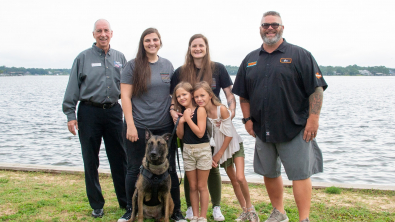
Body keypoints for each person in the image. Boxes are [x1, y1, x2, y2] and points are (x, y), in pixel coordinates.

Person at [232, 11, 328, 222]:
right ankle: (279, 213)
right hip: (262, 128)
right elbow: (243, 95)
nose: (270, 28)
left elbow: (317, 89)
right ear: (260, 29)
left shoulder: (300, 55)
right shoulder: (250, 60)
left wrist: (314, 119)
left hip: (295, 127)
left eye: (274, 25)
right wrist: (247, 120)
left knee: (300, 174)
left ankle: (304, 218)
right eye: (265, 25)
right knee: (269, 172)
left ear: (282, 28)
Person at [118, 28, 186, 222]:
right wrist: (130, 125)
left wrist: (173, 109)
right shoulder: (132, 66)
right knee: (133, 169)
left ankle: (176, 211)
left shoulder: (167, 64)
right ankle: (131, 210)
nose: (151, 43)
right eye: (147, 40)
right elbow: (125, 96)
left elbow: (173, 93)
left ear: (160, 42)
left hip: (164, 127)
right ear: (143, 43)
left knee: (170, 169)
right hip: (139, 126)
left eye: (155, 40)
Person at [62, 19, 127, 218]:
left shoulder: (120, 58)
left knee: (120, 159)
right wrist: (70, 115)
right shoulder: (83, 58)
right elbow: (72, 87)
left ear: (112, 33)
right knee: (90, 160)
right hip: (89, 112)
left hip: (114, 112)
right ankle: (97, 204)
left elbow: (127, 88)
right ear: (93, 34)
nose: (103, 34)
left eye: (106, 30)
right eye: (99, 31)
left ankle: (125, 202)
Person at [170, 34, 235, 221]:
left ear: (206, 47)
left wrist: (231, 111)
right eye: (194, 46)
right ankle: (190, 207)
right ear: (189, 49)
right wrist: (174, 113)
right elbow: (173, 98)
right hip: (187, 120)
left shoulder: (218, 68)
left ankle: (215, 206)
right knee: (188, 166)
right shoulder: (180, 72)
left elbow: (229, 94)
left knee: (212, 165)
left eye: (201, 45)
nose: (197, 49)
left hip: (211, 122)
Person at [194, 81, 259, 222]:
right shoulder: (201, 112)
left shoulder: (221, 109)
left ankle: (250, 209)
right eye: (196, 97)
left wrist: (217, 155)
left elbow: (229, 135)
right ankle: (244, 211)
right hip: (220, 148)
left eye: (202, 95)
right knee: (234, 180)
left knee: (240, 177)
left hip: (233, 144)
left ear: (210, 95)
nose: (199, 99)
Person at [174, 82, 211, 222]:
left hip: (202, 150)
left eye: (184, 94)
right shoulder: (182, 114)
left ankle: (203, 216)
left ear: (191, 95)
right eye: (178, 96)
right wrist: (181, 121)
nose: (181, 98)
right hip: (188, 150)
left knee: (202, 186)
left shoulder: (200, 110)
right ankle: (195, 215)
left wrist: (188, 118)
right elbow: (181, 136)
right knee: (193, 186)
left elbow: (200, 133)